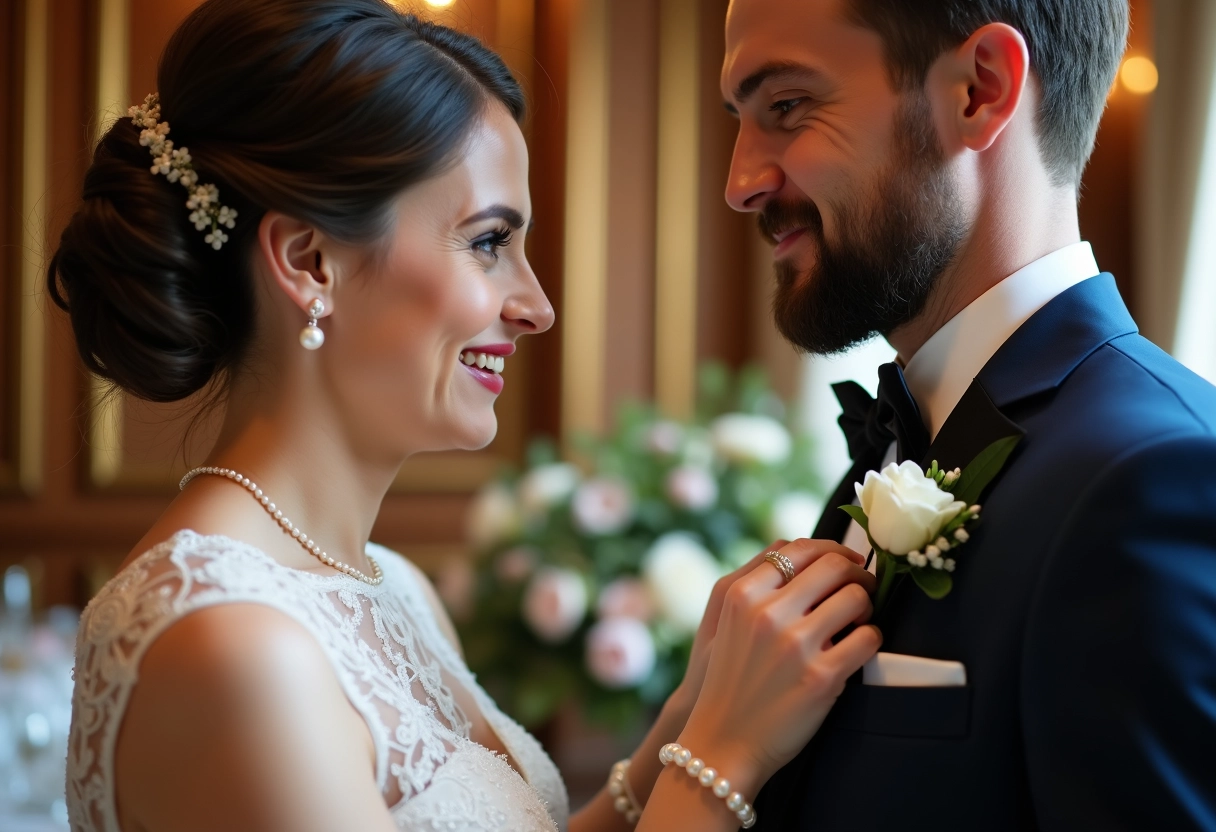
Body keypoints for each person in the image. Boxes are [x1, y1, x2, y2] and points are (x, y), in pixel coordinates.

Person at [52, 2, 882, 830]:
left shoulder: (392, 585)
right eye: (488, 242)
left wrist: (688, 712)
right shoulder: (230, 641)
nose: (537, 307)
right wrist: (723, 753)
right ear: (309, 263)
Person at [720, 0, 1216, 828]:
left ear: (979, 91)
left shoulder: (1156, 477)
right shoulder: (890, 447)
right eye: (739, 120)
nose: (741, 183)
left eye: (789, 106)